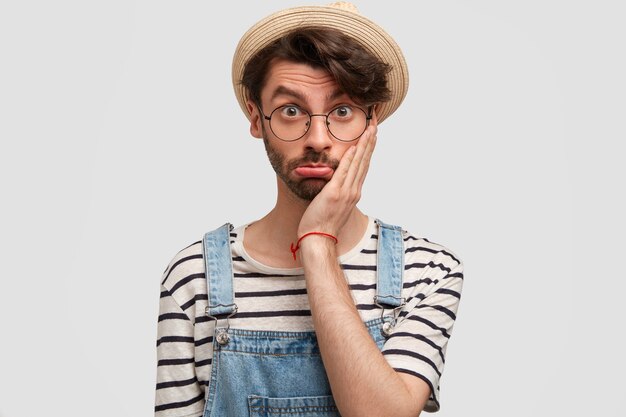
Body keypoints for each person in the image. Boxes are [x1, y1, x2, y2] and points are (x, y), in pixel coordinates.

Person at [155, 2, 464, 416]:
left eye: (341, 111)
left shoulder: (427, 270)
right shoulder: (194, 278)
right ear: (255, 118)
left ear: (372, 122)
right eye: (291, 110)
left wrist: (317, 241)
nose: (318, 138)